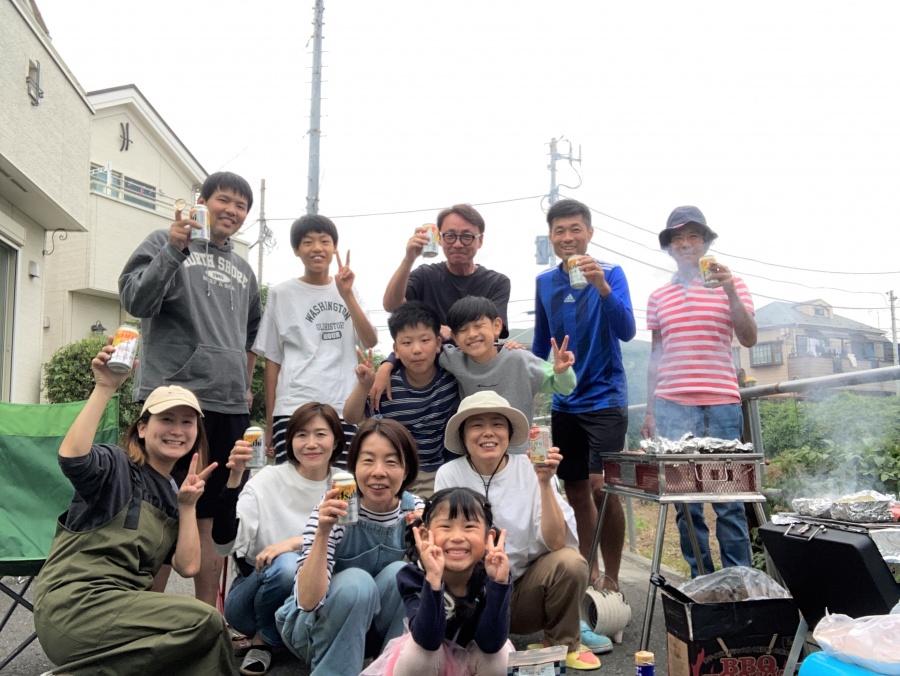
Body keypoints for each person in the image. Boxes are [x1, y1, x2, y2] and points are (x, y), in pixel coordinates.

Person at [33, 343, 233, 675]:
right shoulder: (117, 465)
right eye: (166, 419)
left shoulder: (175, 494)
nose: (177, 430)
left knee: (203, 639)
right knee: (205, 620)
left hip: (124, 615)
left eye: (187, 422)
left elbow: (188, 566)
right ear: (141, 428)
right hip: (75, 605)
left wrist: (187, 508)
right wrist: (105, 387)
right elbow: (72, 457)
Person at [119, 170, 261, 605]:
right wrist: (174, 249)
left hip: (229, 403)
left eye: (241, 206)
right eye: (224, 200)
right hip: (175, 401)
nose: (232, 211)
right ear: (202, 201)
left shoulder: (244, 270)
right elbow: (136, 301)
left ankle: (207, 622)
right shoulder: (162, 241)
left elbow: (251, 335)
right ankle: (147, 621)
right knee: (161, 507)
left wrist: (244, 383)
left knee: (212, 515)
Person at [435, 391, 604, 671]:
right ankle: (472, 644)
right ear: (463, 436)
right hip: (473, 595)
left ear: (509, 434)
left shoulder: (530, 468)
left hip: (523, 592)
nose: (488, 432)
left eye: (497, 424)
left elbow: (556, 541)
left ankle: (562, 644)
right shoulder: (449, 474)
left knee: (570, 562)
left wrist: (545, 482)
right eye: (476, 425)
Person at [641, 205, 758, 577]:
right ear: (670, 248)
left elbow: (749, 338)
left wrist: (730, 292)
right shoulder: (659, 297)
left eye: (693, 236)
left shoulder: (733, 285)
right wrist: (650, 411)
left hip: (721, 403)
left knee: (729, 500)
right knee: (686, 503)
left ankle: (738, 580)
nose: (686, 243)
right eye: (677, 238)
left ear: (705, 243)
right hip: (671, 405)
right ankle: (701, 579)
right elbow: (656, 355)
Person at [532, 198, 636, 611]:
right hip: (565, 400)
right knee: (575, 488)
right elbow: (541, 343)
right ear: (551, 237)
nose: (568, 237)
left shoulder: (612, 273)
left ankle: (613, 576)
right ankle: (589, 572)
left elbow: (627, 330)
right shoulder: (544, 282)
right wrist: (525, 368)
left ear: (590, 233)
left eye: (576, 229)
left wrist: (602, 288)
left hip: (606, 396)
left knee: (602, 486)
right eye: (560, 231)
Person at [275, 418, 423, 676]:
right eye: (368, 460)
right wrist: (323, 532)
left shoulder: (416, 511)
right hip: (314, 629)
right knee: (356, 581)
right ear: (353, 466)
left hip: (369, 636)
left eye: (391, 462)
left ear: (406, 469)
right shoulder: (333, 509)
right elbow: (307, 601)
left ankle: (391, 670)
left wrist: (425, 543)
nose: (378, 472)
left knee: (405, 574)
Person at [213, 402, 344, 676]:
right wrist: (235, 477)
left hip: (313, 597)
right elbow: (224, 544)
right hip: (251, 599)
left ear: (335, 441)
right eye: (302, 435)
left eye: (321, 434)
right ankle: (263, 641)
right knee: (287, 565)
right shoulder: (268, 479)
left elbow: (348, 542)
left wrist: (294, 542)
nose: (311, 443)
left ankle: (290, 638)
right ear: (291, 440)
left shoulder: (343, 484)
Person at [372, 296, 576, 455]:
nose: (471, 335)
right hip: (474, 456)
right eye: (463, 330)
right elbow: (417, 350)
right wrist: (387, 365)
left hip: (518, 454)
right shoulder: (453, 358)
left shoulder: (519, 359)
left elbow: (565, 387)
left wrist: (561, 370)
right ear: (453, 336)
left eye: (478, 326)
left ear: (496, 326)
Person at [253, 214, 378, 465]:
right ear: (296, 250)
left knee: (341, 483)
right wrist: (270, 420)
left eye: (324, 241)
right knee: (291, 484)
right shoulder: (281, 294)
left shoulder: (349, 289)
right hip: (292, 408)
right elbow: (273, 360)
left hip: (343, 409)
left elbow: (369, 341)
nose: (317, 248)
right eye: (308, 242)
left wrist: (346, 294)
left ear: (334, 248)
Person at [365, 487, 513, 676]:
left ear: (488, 538)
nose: (457, 537)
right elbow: (427, 640)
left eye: (469, 527)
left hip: (474, 659)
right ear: (425, 535)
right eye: (446, 527)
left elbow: (491, 643)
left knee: (501, 656)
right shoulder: (413, 576)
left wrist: (499, 584)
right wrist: (433, 580)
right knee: (417, 655)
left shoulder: (491, 575)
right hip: (431, 660)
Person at [344, 301, 460, 497]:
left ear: (438, 343)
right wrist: (364, 386)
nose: (417, 349)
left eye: (425, 340)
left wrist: (508, 346)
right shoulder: (387, 385)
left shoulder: (451, 378)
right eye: (407, 343)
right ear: (395, 349)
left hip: (432, 474)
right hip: (390, 472)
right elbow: (350, 417)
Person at [382, 204, 511, 342]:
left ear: (480, 241)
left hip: (477, 355)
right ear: (439, 239)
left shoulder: (496, 282)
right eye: (450, 236)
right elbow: (391, 305)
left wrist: (451, 333)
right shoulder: (425, 276)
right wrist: (409, 259)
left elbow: (495, 330)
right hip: (433, 356)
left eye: (467, 237)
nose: (457, 244)